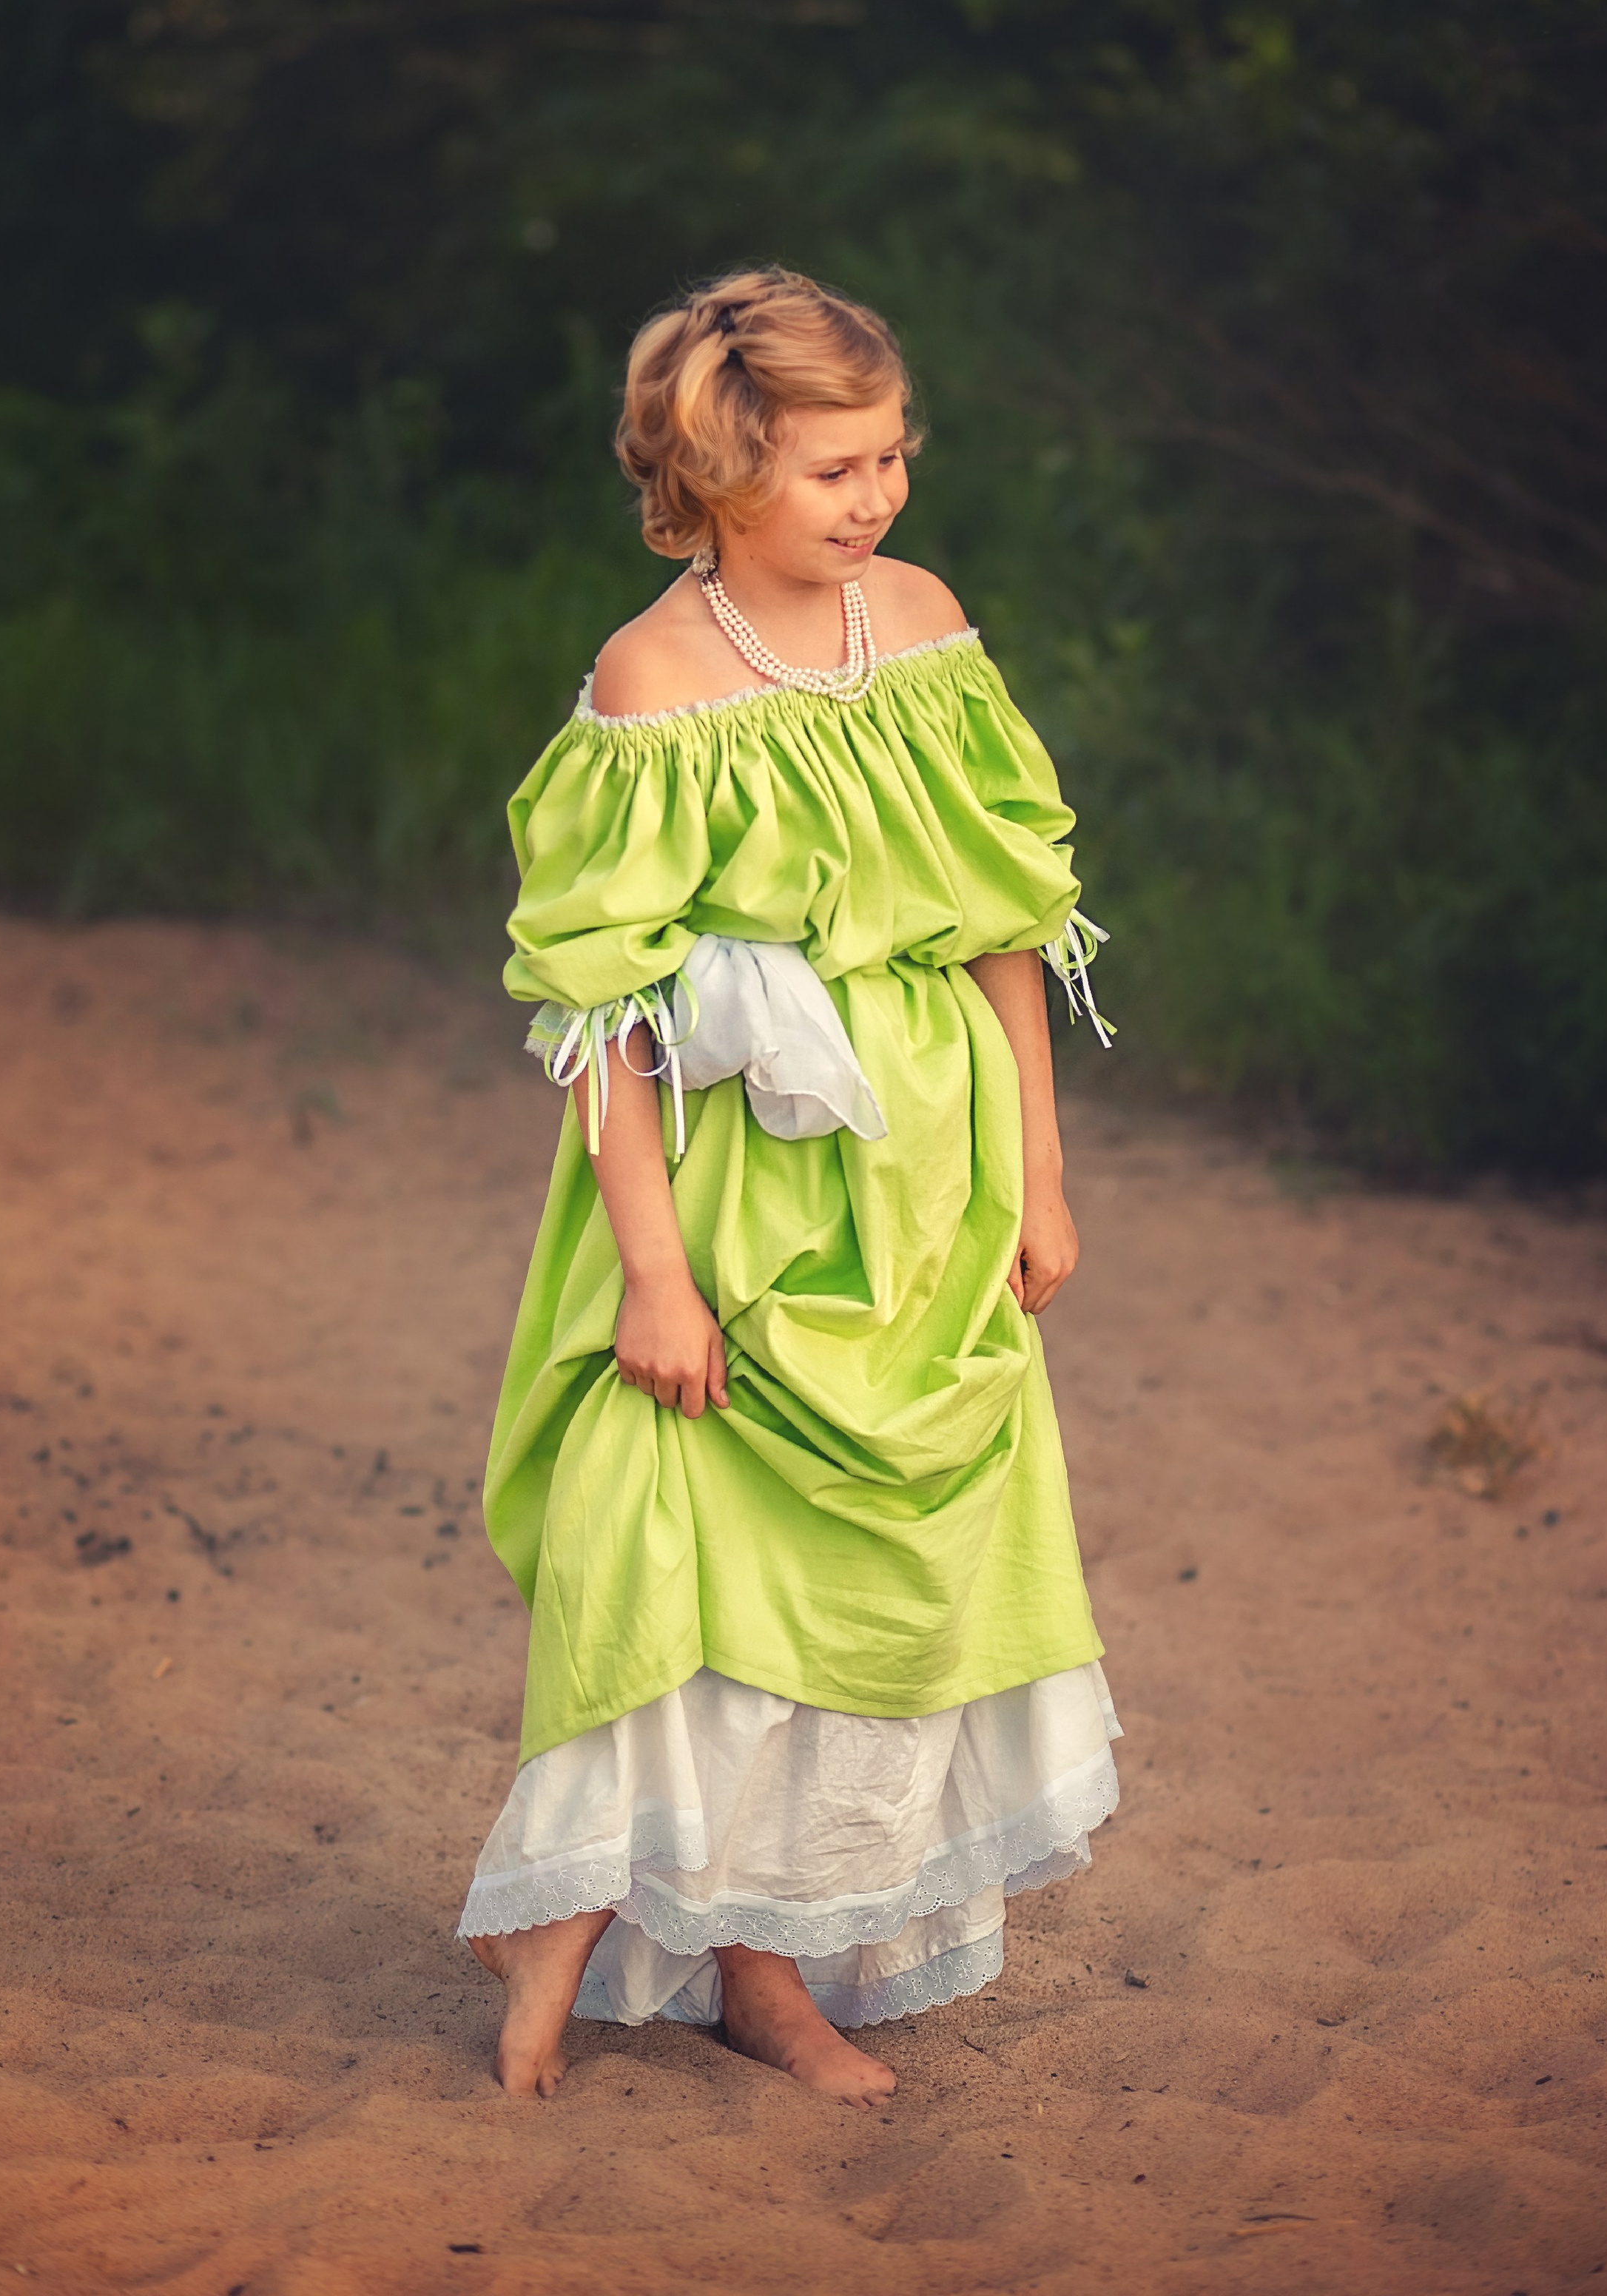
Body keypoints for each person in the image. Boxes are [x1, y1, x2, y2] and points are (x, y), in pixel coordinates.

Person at [460, 267, 1119, 2107]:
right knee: (664, 1557)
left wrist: (1037, 1179)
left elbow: (1005, 925)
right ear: (714, 471)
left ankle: (767, 1975)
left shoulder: (920, 627)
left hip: (928, 1182)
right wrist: (650, 1271)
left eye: (891, 454)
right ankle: (565, 1921)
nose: (873, 497)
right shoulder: (648, 680)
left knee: (860, 1598)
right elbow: (607, 1015)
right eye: (832, 466)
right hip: (736, 1184)